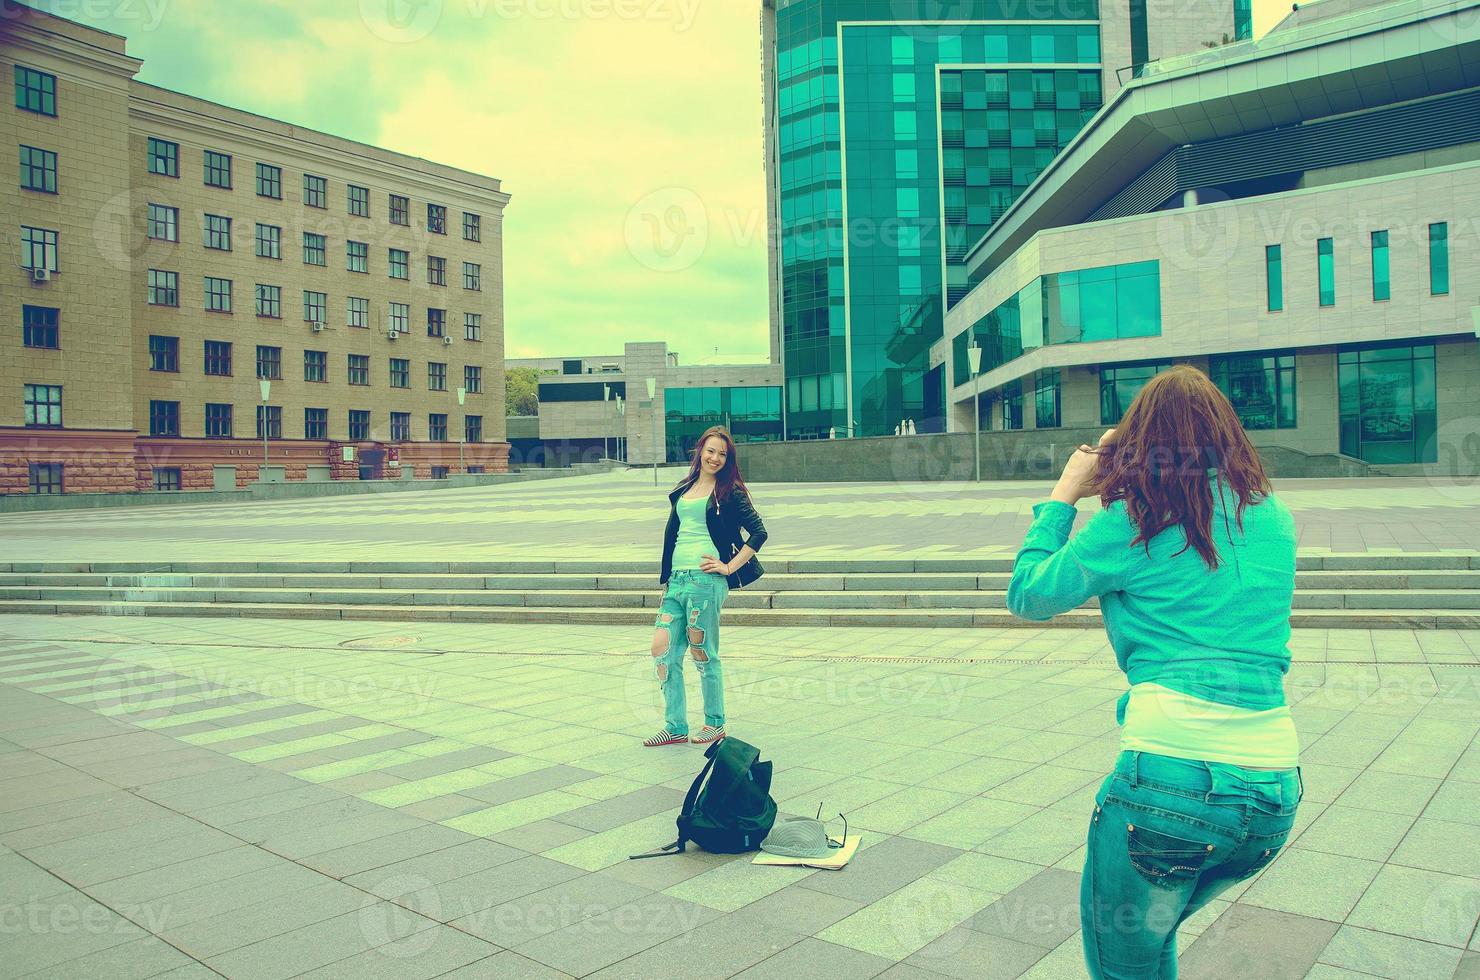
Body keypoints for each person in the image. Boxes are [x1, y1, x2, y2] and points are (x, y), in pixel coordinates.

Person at [1006, 365, 1301, 980]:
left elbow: (1029, 594)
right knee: (1151, 937)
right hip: (1274, 791)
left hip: (1169, 788)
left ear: (1140, 442)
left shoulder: (1135, 522)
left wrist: (1064, 493)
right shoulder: (1272, 518)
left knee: (1128, 959)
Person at [644, 426, 768, 747]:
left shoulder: (729, 492)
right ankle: (675, 726)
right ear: (700, 451)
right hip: (676, 581)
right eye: (711, 451)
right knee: (662, 649)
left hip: (705, 582)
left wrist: (728, 567)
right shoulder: (685, 488)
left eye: (722, 454)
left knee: (703, 653)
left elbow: (758, 533)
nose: (715, 458)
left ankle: (715, 723)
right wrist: (669, 574)